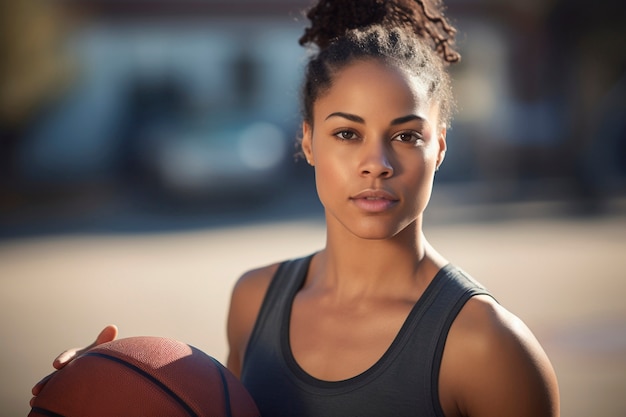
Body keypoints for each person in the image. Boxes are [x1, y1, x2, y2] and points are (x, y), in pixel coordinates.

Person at [32, 0, 560, 416]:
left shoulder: (489, 347)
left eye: (404, 135)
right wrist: (105, 387)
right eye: (347, 133)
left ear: (439, 147)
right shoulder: (253, 301)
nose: (375, 163)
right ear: (308, 142)